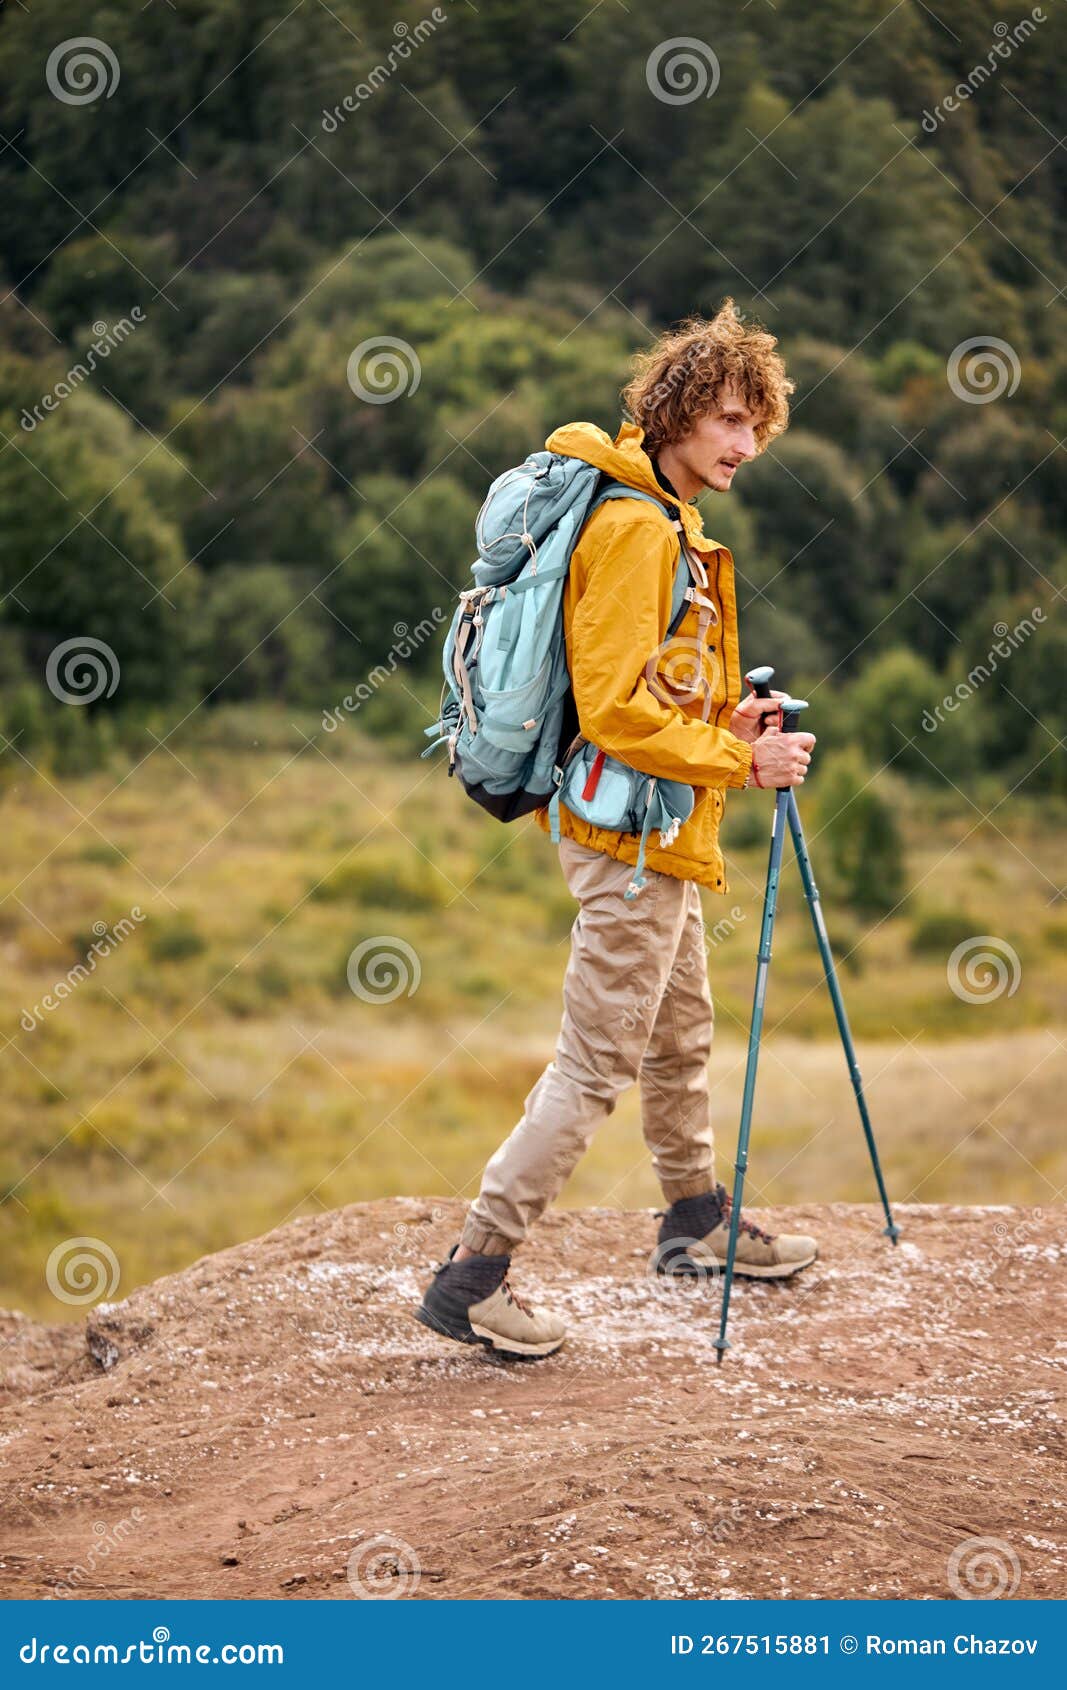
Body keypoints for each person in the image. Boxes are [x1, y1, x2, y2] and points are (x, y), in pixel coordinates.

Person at [417, 300, 818, 1358]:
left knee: (679, 1032)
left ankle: (693, 1220)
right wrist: (742, 759)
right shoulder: (636, 527)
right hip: (623, 843)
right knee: (595, 1063)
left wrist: (723, 723)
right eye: (727, 421)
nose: (741, 446)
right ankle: (474, 1273)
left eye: (752, 426)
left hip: (652, 831)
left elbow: (652, 694)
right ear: (677, 413)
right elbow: (611, 711)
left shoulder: (664, 518)